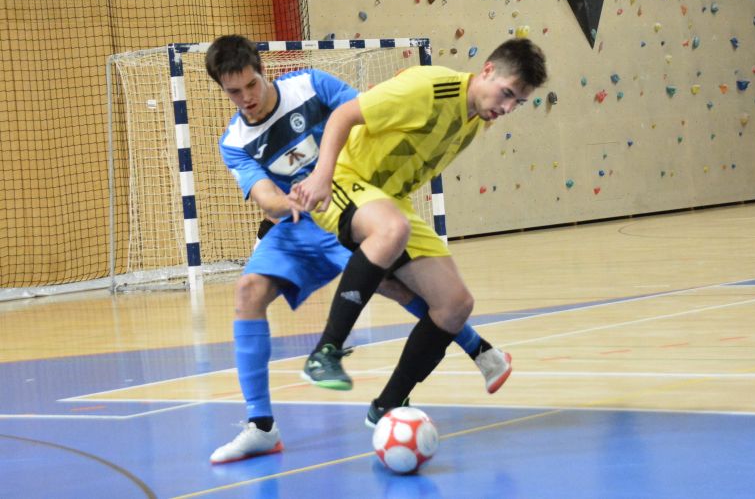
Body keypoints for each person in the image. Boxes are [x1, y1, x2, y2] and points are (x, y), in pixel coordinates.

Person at [204, 35, 513, 464]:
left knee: (399, 286)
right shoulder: (235, 141)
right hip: (299, 218)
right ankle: (261, 427)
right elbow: (266, 197)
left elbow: (367, 118)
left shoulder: (311, 85)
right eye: (234, 92)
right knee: (248, 292)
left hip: (352, 196)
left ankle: (478, 350)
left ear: (263, 70)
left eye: (251, 85)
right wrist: (294, 199)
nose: (246, 98)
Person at [290, 38, 547, 427]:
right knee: (392, 229)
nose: (508, 108)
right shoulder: (428, 88)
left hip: (389, 201)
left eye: (519, 103)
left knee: (456, 304)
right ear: (487, 71)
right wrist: (322, 176)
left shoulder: (475, 120)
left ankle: (388, 405)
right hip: (345, 180)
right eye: (507, 93)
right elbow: (343, 114)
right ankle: (325, 351)